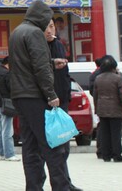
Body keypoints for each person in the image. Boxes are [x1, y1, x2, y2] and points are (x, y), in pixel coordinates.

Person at [8, 0, 70, 191]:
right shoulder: (35, 32)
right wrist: (51, 94)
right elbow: (40, 67)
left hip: (20, 95)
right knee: (52, 144)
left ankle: (33, 187)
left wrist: (51, 62)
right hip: (35, 95)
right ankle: (61, 186)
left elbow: (25, 64)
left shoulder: (17, 32)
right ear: (42, 17)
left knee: (30, 146)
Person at [45, 19, 82, 191]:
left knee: (62, 144)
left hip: (61, 101)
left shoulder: (58, 45)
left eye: (52, 26)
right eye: (46, 27)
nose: (49, 30)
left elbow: (64, 75)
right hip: (45, 101)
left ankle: (65, 182)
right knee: (48, 148)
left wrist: (65, 96)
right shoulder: (38, 47)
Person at [93, 55, 122, 162]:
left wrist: (97, 108)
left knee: (104, 133)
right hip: (116, 109)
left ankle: (106, 155)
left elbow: (95, 95)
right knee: (115, 133)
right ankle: (117, 155)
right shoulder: (118, 78)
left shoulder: (98, 78)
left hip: (102, 109)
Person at [0, 57, 20, 162]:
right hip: (6, 105)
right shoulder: (7, 73)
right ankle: (9, 154)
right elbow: (11, 88)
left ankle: (1, 153)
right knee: (7, 130)